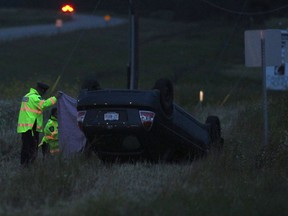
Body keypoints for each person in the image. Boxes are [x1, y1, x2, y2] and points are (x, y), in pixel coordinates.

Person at [17, 82, 59, 165]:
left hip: (26, 127)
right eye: (44, 92)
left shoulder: (27, 96)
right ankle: (28, 165)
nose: (43, 94)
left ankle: (24, 165)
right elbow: (44, 104)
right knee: (31, 147)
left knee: (26, 147)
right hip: (31, 127)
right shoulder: (34, 97)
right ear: (41, 90)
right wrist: (55, 97)